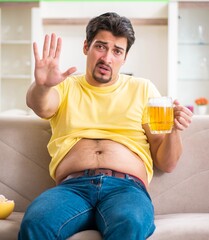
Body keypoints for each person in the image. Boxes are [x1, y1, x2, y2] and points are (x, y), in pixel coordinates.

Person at [18, 12, 193, 240]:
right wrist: (42, 86)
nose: (107, 58)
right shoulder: (66, 86)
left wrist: (174, 130)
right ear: (86, 47)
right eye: (100, 47)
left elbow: (167, 163)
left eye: (117, 51)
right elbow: (40, 105)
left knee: (130, 223)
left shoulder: (143, 89)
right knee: (35, 223)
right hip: (72, 189)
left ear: (124, 57)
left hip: (126, 189)